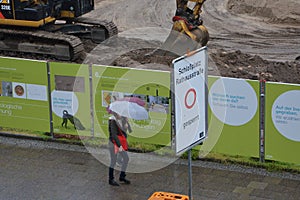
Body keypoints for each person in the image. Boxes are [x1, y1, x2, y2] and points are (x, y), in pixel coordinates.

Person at [108, 112, 131, 186]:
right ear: (115, 114)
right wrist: (120, 146)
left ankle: (122, 176)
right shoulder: (112, 121)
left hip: (120, 143)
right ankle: (111, 179)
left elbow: (128, 131)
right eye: (119, 114)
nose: (120, 115)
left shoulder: (123, 119)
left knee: (126, 159)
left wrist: (127, 124)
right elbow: (114, 135)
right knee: (113, 161)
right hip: (114, 144)